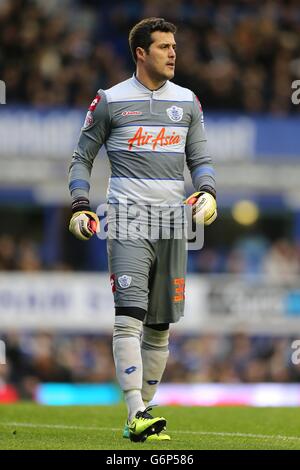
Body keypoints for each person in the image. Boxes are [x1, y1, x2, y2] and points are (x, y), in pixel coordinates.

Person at [68, 17, 217, 442]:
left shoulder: (187, 102)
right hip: (127, 220)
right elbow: (82, 158)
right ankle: (136, 410)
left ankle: (144, 414)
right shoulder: (111, 101)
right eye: (164, 46)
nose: (173, 53)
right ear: (141, 52)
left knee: (160, 327)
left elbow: (200, 158)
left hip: (173, 224)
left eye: (174, 46)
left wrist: (207, 191)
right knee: (129, 316)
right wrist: (80, 204)